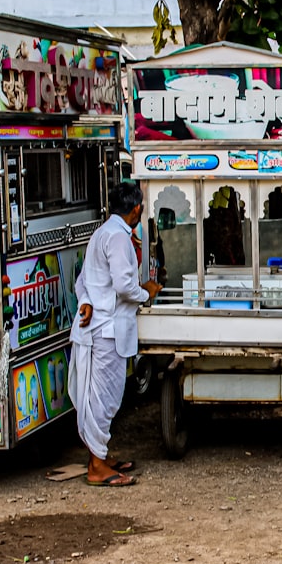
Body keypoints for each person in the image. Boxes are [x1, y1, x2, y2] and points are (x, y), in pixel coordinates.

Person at [69, 182, 161, 487]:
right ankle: (96, 467)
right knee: (105, 398)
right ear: (136, 209)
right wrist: (146, 292)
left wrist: (85, 303)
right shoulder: (118, 237)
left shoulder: (102, 233)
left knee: (99, 395)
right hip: (107, 330)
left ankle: (100, 455)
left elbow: (83, 282)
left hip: (99, 327)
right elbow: (124, 286)